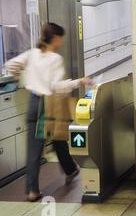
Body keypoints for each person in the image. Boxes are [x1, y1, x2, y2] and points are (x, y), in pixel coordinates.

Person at [5, 23, 92, 202]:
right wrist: (79, 82)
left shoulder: (32, 54)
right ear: (55, 38)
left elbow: (11, 64)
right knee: (40, 147)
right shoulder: (55, 59)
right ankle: (32, 191)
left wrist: (21, 75)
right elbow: (56, 86)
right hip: (49, 104)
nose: (61, 41)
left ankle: (70, 170)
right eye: (61, 38)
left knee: (57, 139)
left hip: (33, 102)